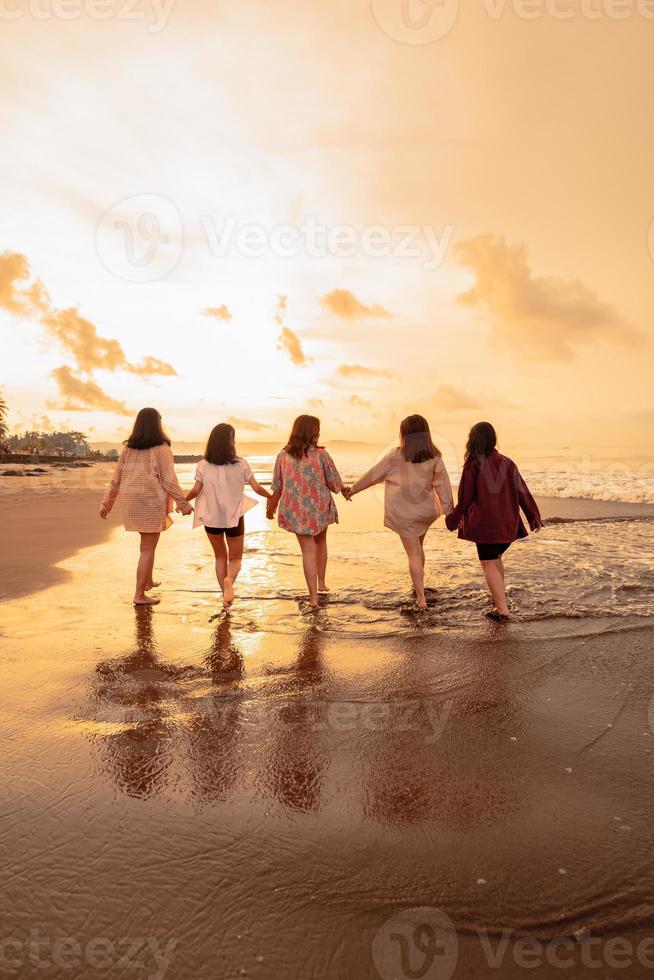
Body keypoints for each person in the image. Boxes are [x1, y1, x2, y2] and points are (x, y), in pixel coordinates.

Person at [344, 414, 453, 610]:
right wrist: (449, 511)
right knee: (418, 548)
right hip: (425, 511)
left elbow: (373, 475)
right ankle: (418, 585)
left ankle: (421, 599)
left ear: (404, 434)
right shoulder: (435, 455)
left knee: (413, 553)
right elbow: (442, 484)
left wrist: (353, 489)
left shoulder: (395, 455)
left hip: (404, 512)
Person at [445, 421, 543, 622]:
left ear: (473, 440)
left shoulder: (473, 464)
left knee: (488, 564)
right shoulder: (507, 462)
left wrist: (453, 519)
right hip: (508, 524)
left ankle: (502, 611)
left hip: (486, 525)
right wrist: (533, 515)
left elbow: (465, 498)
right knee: (496, 559)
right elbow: (522, 490)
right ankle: (500, 599)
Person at [100, 407, 192, 606]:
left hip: (132, 500)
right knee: (147, 548)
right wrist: (183, 504)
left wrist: (107, 504)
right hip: (149, 500)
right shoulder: (161, 449)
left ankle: (148, 581)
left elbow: (116, 479)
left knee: (148, 544)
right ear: (157, 425)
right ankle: (139, 594)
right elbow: (169, 480)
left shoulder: (128, 449)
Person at [184, 423, 270, 607]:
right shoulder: (241, 464)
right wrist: (272, 497)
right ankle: (229, 580)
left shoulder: (203, 465)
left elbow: (196, 490)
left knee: (220, 557)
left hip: (211, 518)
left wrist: (183, 500)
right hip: (234, 517)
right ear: (230, 442)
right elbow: (256, 487)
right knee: (236, 558)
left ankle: (225, 597)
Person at [266, 415, 344, 609]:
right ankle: (322, 583)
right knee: (321, 542)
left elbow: (277, 486)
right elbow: (335, 483)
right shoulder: (321, 455)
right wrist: (345, 491)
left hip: (296, 510)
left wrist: (271, 507)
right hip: (319, 507)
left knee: (307, 551)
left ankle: (313, 598)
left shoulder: (283, 455)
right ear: (312, 432)